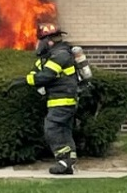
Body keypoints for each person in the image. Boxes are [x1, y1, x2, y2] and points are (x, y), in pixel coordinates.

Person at [13, 22, 80, 175]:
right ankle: (68, 162)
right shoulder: (50, 56)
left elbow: (45, 76)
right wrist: (30, 77)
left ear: (48, 41)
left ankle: (63, 160)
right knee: (63, 130)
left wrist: (25, 81)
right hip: (60, 99)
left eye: (41, 40)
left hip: (63, 100)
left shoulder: (60, 55)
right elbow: (36, 73)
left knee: (52, 128)